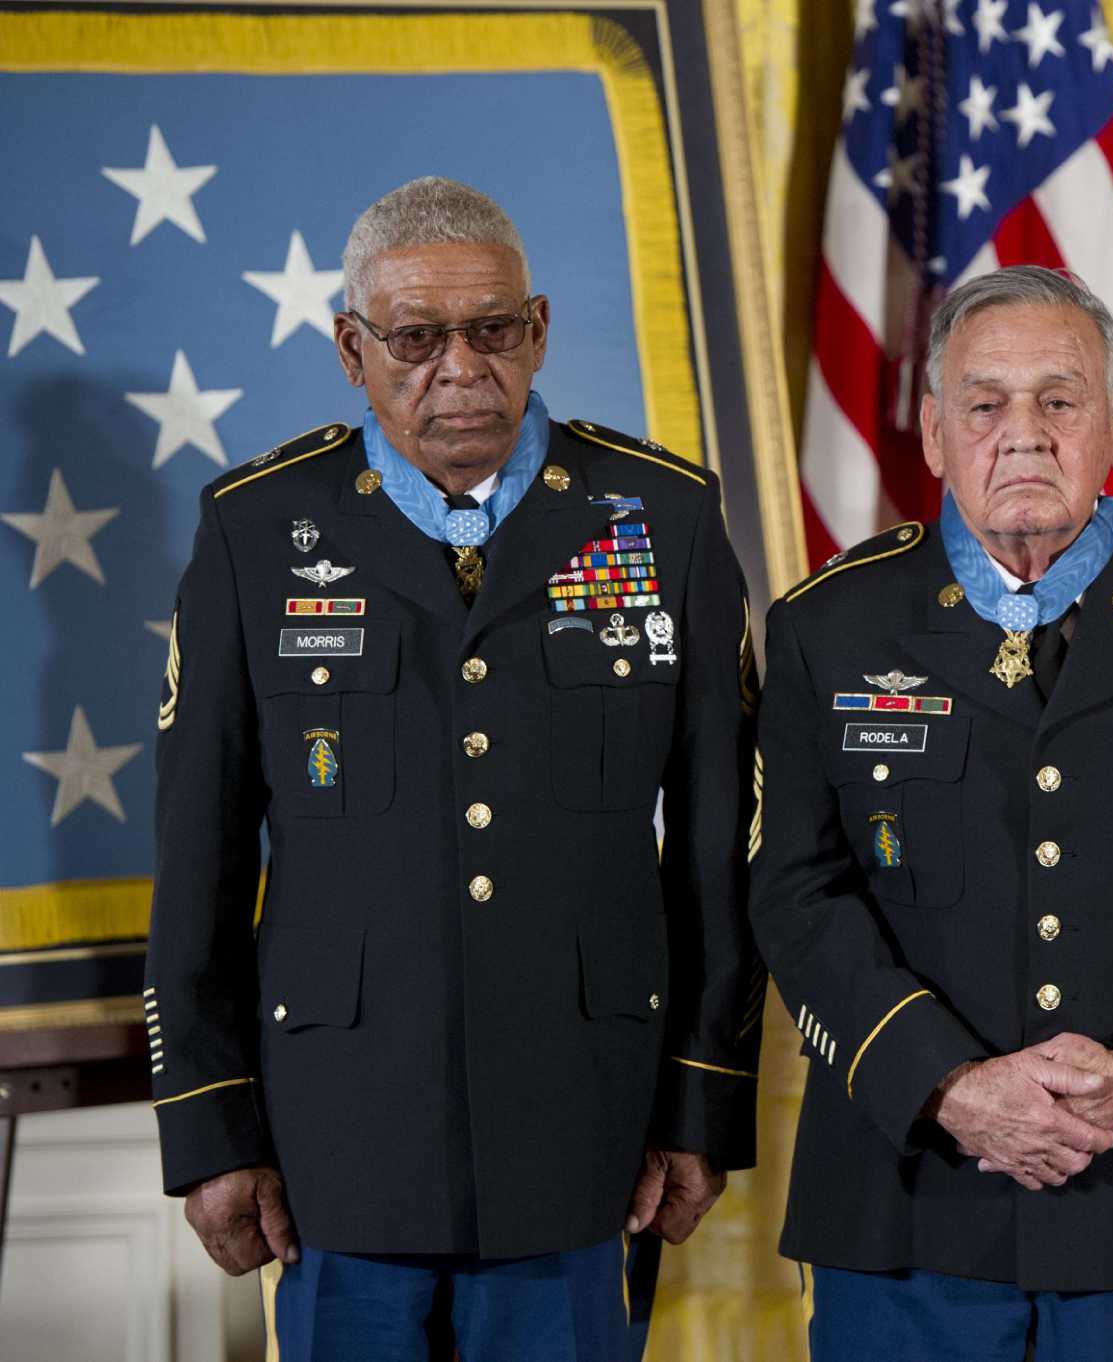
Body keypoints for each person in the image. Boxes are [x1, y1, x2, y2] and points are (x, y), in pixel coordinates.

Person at [144, 176, 760, 1360]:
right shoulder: (257, 527)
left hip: (587, 1129)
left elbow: (719, 845)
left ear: (539, 333)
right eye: (417, 338)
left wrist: (702, 1097)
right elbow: (198, 851)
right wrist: (209, 1124)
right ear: (352, 350)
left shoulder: (663, 517)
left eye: (493, 330)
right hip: (338, 1135)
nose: (460, 367)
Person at [749, 265, 1113, 1361]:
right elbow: (794, 892)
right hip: (910, 1202)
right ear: (931, 432)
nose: (1022, 432)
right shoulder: (828, 626)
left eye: (1059, 400)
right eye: (984, 403)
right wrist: (950, 1084)